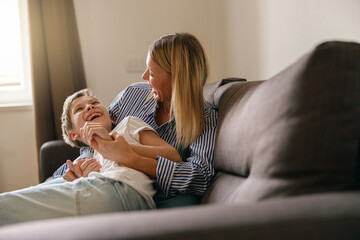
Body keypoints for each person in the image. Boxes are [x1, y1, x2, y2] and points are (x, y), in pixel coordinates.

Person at [64, 32, 218, 208]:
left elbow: (199, 177)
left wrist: (132, 158)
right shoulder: (132, 95)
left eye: (152, 73)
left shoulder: (205, 119)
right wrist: (79, 165)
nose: (144, 77)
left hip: (149, 196)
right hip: (103, 179)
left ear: (177, 78)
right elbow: (98, 131)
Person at [0, 88, 181, 226]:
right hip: (100, 189)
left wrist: (116, 144)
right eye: (80, 109)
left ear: (111, 118)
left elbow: (173, 156)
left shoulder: (127, 124)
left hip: (121, 190)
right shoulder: (90, 157)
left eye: (94, 102)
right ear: (74, 135)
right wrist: (79, 178)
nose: (89, 106)